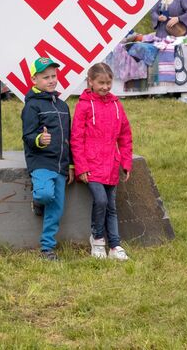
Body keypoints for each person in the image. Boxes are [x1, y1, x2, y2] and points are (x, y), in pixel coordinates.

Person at [71, 62, 133, 261]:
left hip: (111, 165)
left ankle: (115, 245)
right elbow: (77, 138)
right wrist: (81, 166)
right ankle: (97, 239)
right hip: (91, 165)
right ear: (90, 82)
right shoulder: (83, 106)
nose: (105, 87)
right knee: (101, 200)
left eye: (108, 82)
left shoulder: (117, 105)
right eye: (101, 83)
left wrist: (126, 162)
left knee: (111, 206)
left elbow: (125, 135)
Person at [22, 57, 74, 261]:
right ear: (34, 79)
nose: (51, 80)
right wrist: (39, 139)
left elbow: (68, 138)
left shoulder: (62, 105)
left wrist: (70, 164)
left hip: (60, 164)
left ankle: (47, 248)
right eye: (46, 77)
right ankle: (38, 201)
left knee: (57, 208)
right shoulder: (32, 106)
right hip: (41, 162)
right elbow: (27, 136)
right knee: (45, 195)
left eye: (54, 76)